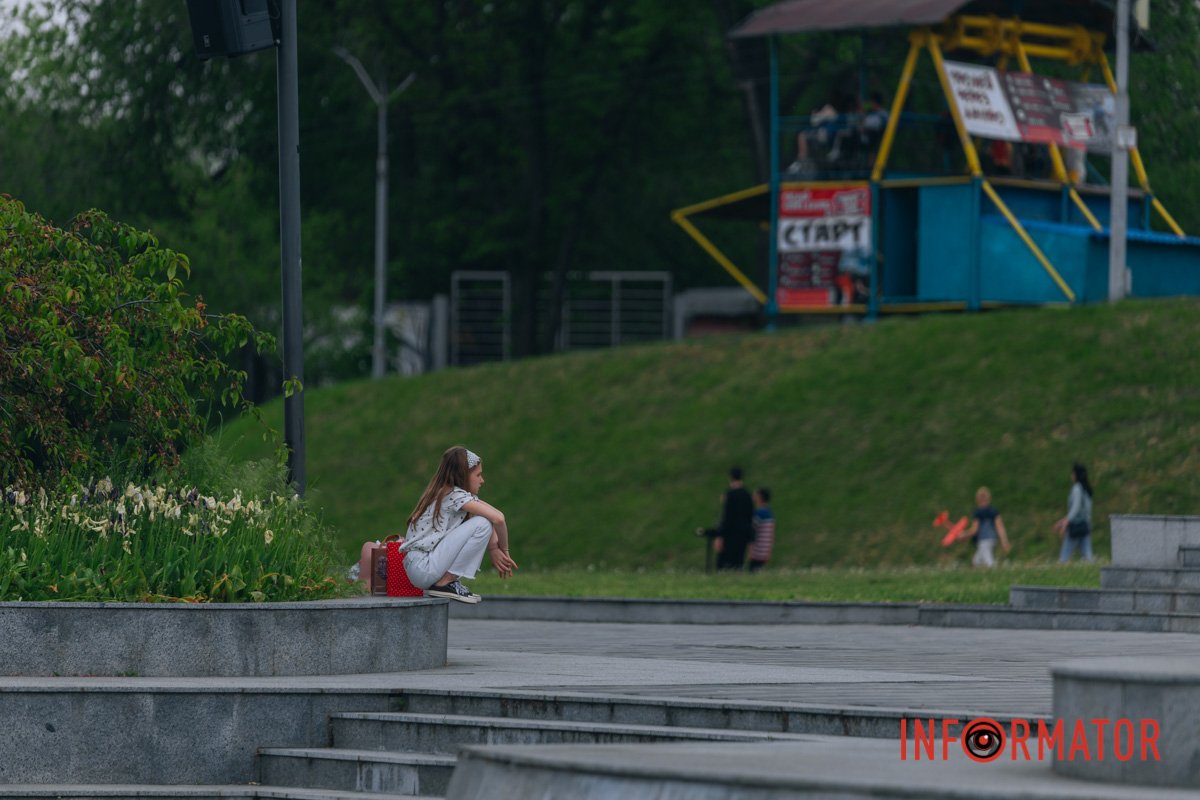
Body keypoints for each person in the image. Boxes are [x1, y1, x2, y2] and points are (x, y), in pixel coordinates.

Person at [400, 446, 518, 603]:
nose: (482, 480)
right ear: (463, 476)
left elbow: (489, 515)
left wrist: (493, 548)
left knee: (483, 521)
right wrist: (504, 550)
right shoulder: (454, 495)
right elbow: (498, 518)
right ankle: (446, 582)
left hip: (421, 566)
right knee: (482, 524)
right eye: (478, 475)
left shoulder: (447, 493)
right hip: (424, 566)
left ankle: (446, 582)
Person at [711, 466, 755, 571]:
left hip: (729, 535)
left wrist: (719, 536)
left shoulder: (730, 495)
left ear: (730, 477)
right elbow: (750, 516)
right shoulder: (747, 495)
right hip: (743, 534)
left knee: (723, 565)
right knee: (738, 564)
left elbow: (726, 517)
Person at [961, 486, 1011, 568]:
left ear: (977, 499)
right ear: (989, 498)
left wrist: (964, 534)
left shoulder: (978, 513)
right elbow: (1000, 527)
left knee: (989, 562)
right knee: (976, 561)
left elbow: (974, 530)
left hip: (984, 540)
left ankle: (996, 576)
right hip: (992, 539)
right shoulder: (994, 511)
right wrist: (1004, 541)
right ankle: (983, 578)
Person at [1054, 462, 1094, 563]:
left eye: (1073, 473)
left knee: (1064, 557)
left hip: (1075, 526)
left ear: (1076, 474)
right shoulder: (1086, 489)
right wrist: (1063, 520)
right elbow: (1084, 510)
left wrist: (1066, 522)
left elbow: (1075, 508)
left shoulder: (1077, 488)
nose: (1071, 475)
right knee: (1088, 556)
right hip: (1084, 526)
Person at [748, 487, 775, 573]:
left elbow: (752, 530)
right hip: (765, 550)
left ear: (759, 497)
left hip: (757, 551)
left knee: (752, 573)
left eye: (755, 495)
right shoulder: (769, 512)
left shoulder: (759, 513)